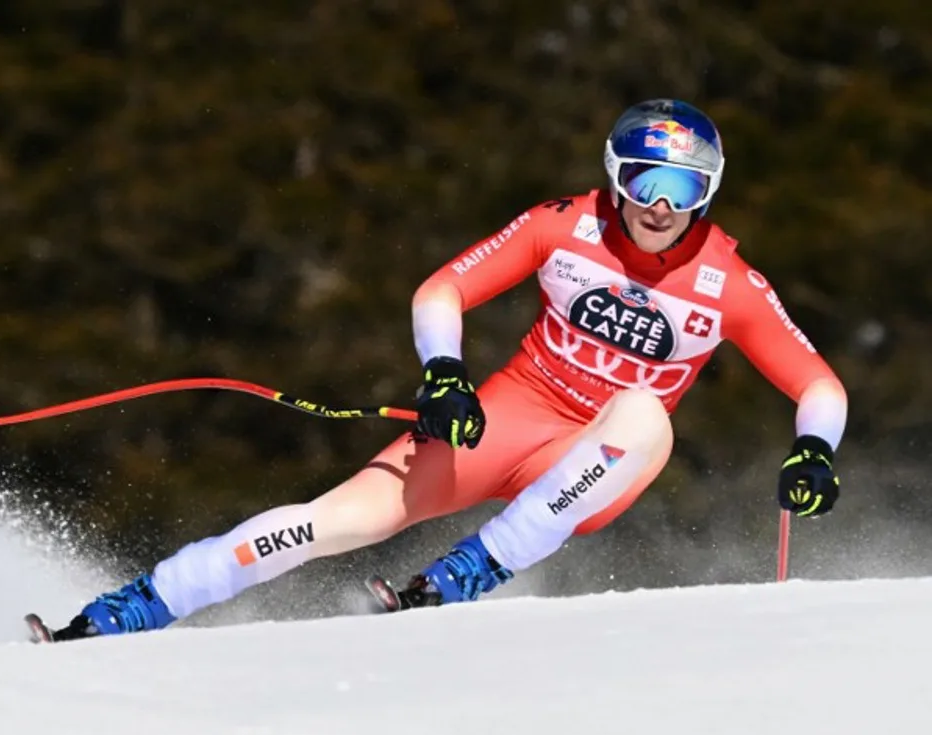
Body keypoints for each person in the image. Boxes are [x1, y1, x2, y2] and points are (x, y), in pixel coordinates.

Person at [42, 98, 847, 641]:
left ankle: (467, 573)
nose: (660, 204)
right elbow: (444, 290)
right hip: (506, 417)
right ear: (614, 176)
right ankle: (131, 610)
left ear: (706, 193)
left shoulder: (727, 281)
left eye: (682, 186)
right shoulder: (563, 227)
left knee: (644, 409)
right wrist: (444, 376)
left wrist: (815, 449)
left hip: (597, 459)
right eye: (643, 179)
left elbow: (819, 385)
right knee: (333, 519)